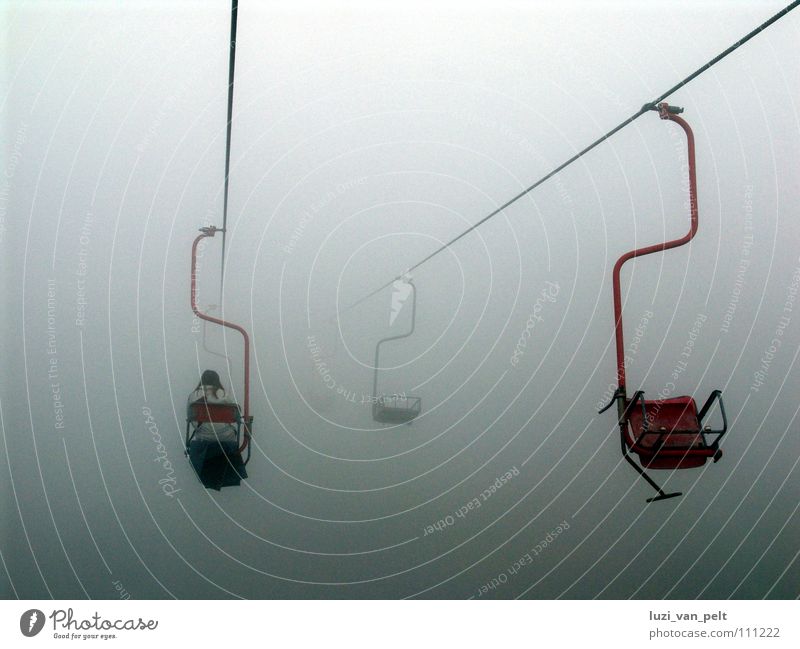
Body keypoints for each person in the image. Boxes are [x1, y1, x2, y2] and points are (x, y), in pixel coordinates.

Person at [186, 370, 247, 490]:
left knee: (200, 430)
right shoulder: (223, 394)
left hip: (204, 437)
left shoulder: (194, 395)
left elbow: (191, 418)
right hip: (226, 437)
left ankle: (209, 474)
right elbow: (236, 416)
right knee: (230, 430)